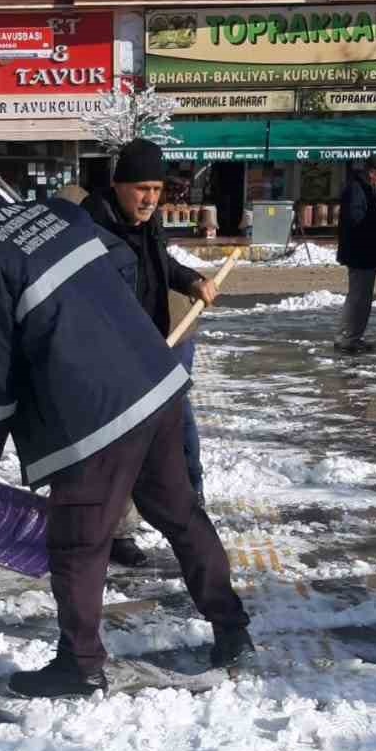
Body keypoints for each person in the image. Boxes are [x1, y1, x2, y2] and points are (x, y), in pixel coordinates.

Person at [0, 165, 253, 699]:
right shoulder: (52, 213)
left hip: (96, 414)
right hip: (153, 381)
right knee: (180, 513)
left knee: (78, 544)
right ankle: (233, 630)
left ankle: (81, 665)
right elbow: (124, 261)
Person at [80, 138, 221, 565]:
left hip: (157, 348)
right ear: (119, 185)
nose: (150, 199)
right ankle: (117, 533)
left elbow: (160, 265)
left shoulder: (148, 223)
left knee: (179, 426)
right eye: (142, 188)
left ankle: (188, 503)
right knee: (118, 449)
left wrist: (192, 279)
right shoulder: (91, 229)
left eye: (156, 190)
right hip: (114, 360)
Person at [333, 155, 376, 354]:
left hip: (367, 253)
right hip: (360, 254)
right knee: (359, 298)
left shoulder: (368, 189)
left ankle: (350, 336)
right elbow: (357, 221)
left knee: (360, 297)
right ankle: (348, 338)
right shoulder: (357, 190)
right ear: (372, 172)